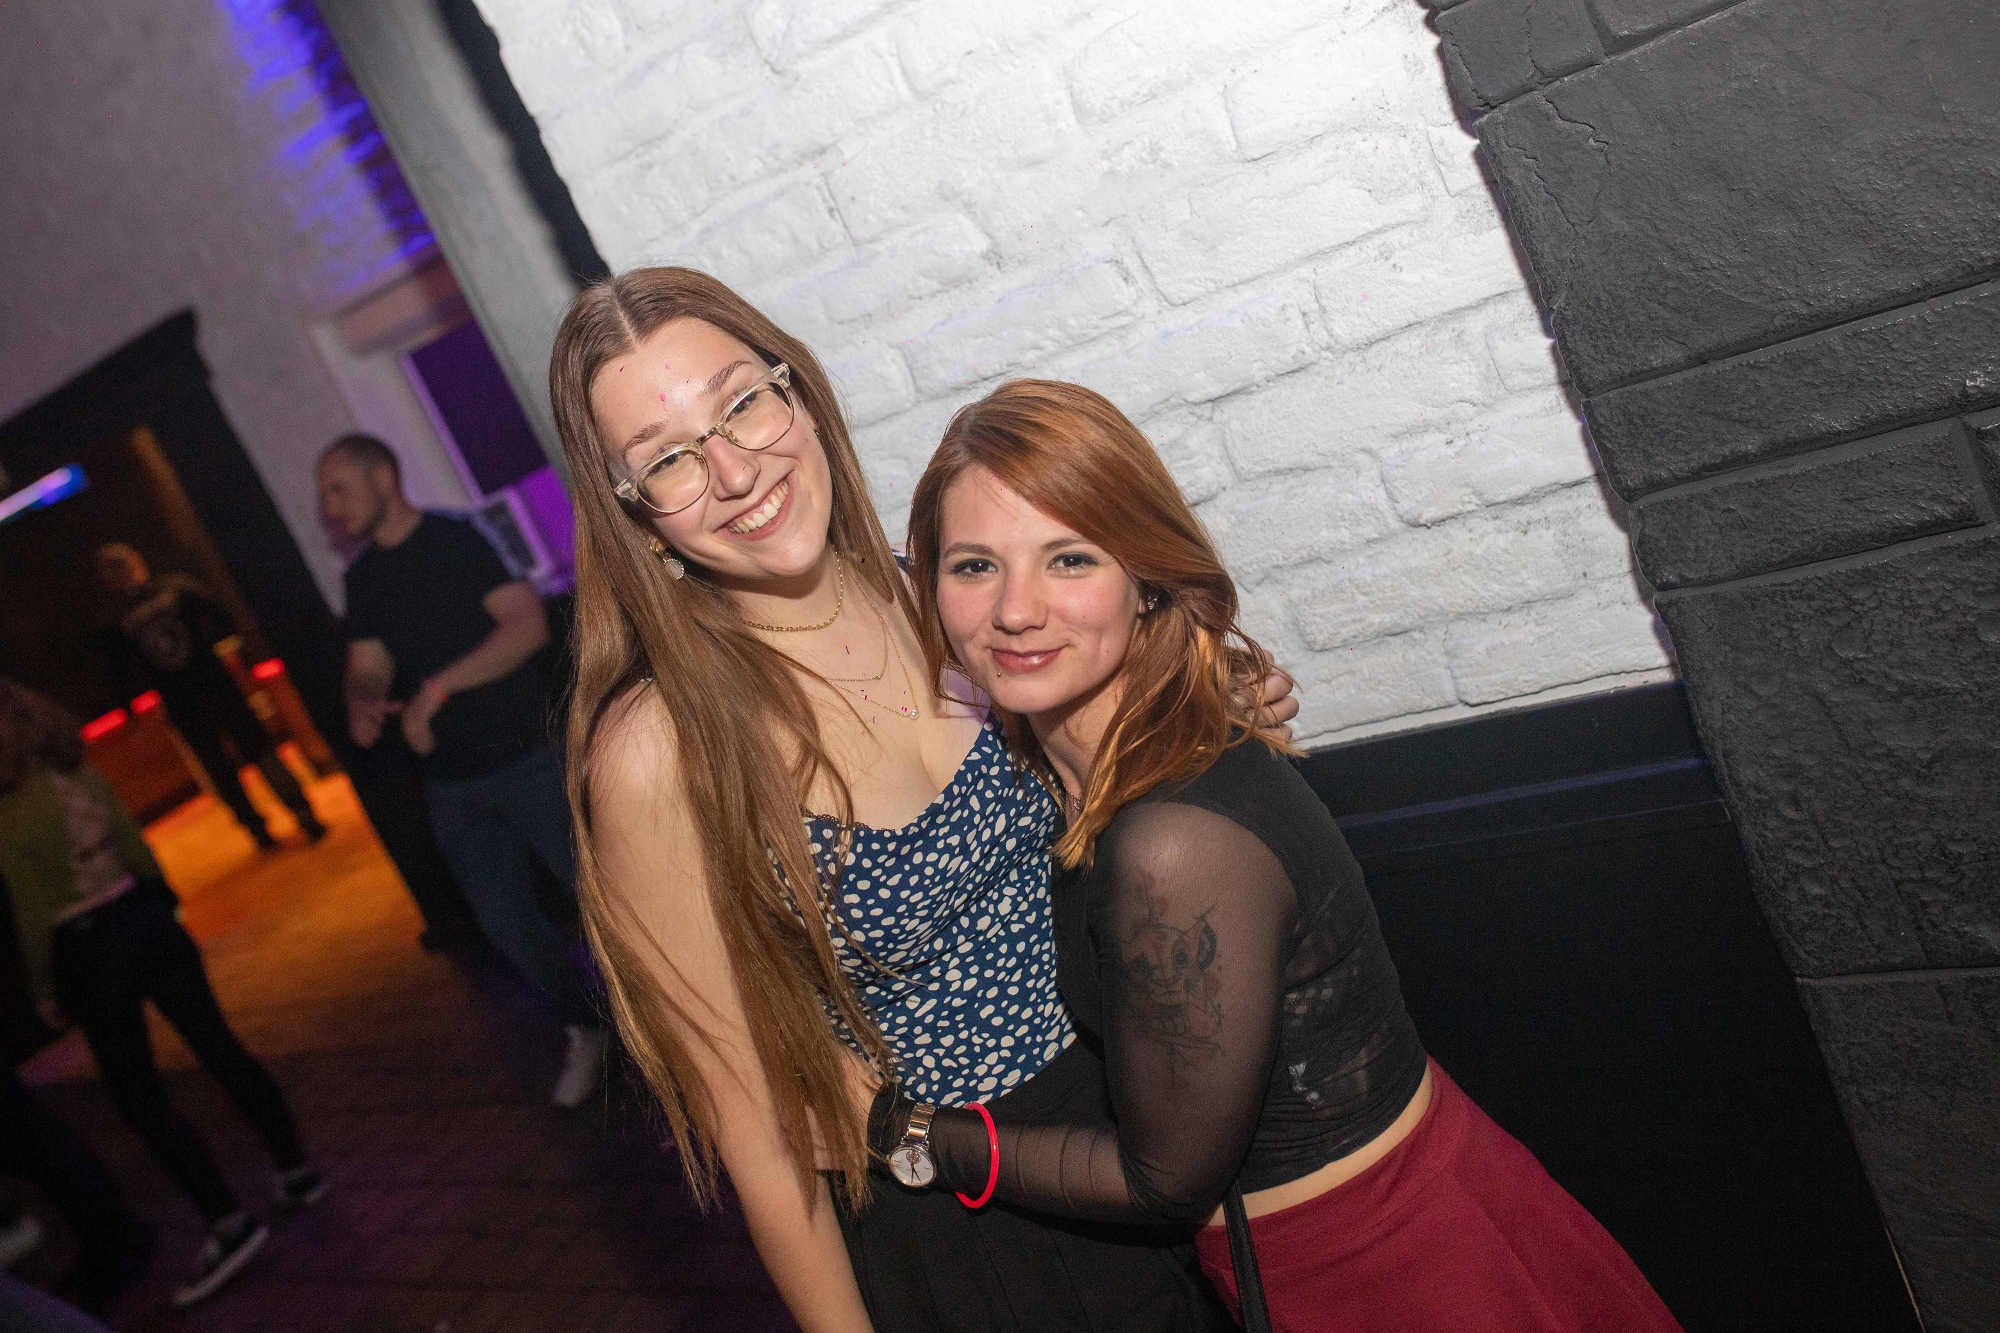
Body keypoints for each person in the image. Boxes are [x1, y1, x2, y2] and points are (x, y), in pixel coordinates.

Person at [548, 268, 1294, 1331]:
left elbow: (1111, 776)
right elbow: (761, 1137)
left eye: (742, 402)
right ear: (638, 518)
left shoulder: (949, 592)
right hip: (970, 1228)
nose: (733, 469)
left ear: (796, 392)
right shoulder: (659, 750)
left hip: (1152, 1131)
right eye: (667, 459)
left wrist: (1204, 707)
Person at [863, 380, 1685, 1332]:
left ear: (1147, 577)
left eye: (1070, 557)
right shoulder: (1097, 761)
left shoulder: (1170, 841)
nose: (1015, 609)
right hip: (1389, 1225)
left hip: (1385, 1272)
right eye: (974, 565)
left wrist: (909, 1131)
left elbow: (1162, 1179)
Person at [0, 680, 322, 1309]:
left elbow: (34, 913)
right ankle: (296, 1170)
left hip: (88, 949)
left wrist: (43, 989)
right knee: (220, 1049)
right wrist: (162, 905)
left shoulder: (9, 812)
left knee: (141, 1099)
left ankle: (228, 1224)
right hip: (145, 918)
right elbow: (136, 846)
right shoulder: (77, 772)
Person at [315, 435, 607, 1108]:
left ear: (382, 476)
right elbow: (368, 664)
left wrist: (435, 692)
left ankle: (677, 1021)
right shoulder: (363, 579)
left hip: (528, 758)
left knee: (603, 900)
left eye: (338, 489)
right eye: (324, 496)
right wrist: (362, 700)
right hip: (452, 785)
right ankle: (588, 1026)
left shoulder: (456, 540)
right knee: (508, 927)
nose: (329, 508)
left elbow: (527, 626)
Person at [94, 546, 326, 851]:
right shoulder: (176, 588)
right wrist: (241, 651)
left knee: (227, 767)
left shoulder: (120, 618)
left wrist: (129, 712)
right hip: (212, 688)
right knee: (252, 753)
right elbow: (223, 618)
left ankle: (265, 828)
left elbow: (119, 671)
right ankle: (296, 817)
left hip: (188, 699)